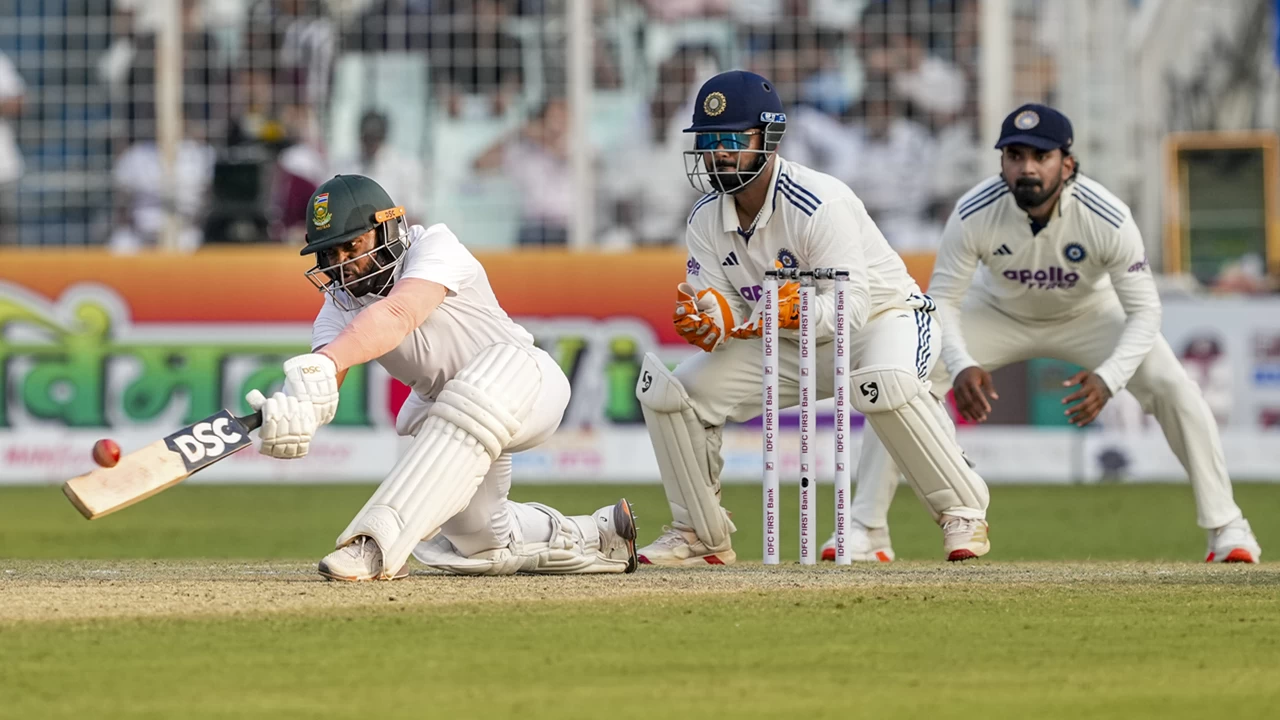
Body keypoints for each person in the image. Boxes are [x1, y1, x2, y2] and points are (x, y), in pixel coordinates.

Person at [820, 104, 1261, 564]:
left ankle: (1228, 527)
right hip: (996, 313)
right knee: (899, 379)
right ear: (1002, 162)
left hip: (1089, 314)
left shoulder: (1106, 216)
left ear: (1066, 164)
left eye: (1040, 155)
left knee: (1175, 387)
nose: (1027, 167)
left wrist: (1109, 378)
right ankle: (866, 527)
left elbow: (1145, 311)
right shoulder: (974, 210)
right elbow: (943, 302)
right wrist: (964, 360)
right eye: (1014, 155)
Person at [634, 70, 992, 566]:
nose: (719, 152)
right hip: (787, 339)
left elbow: (855, 307)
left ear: (769, 137)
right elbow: (731, 312)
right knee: (672, 394)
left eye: (733, 139)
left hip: (882, 322)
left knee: (883, 383)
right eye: (710, 140)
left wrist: (794, 308)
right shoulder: (703, 219)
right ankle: (698, 529)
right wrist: (709, 324)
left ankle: (963, 512)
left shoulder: (819, 202)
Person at [244, 174, 638, 580]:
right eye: (330, 254)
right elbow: (323, 379)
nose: (344, 265)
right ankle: (601, 534)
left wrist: (325, 363)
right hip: (452, 421)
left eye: (353, 246)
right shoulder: (337, 309)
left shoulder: (435, 246)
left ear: (387, 228)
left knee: (479, 386)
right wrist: (293, 412)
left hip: (526, 381)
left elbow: (398, 315)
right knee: (480, 541)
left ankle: (376, 543)